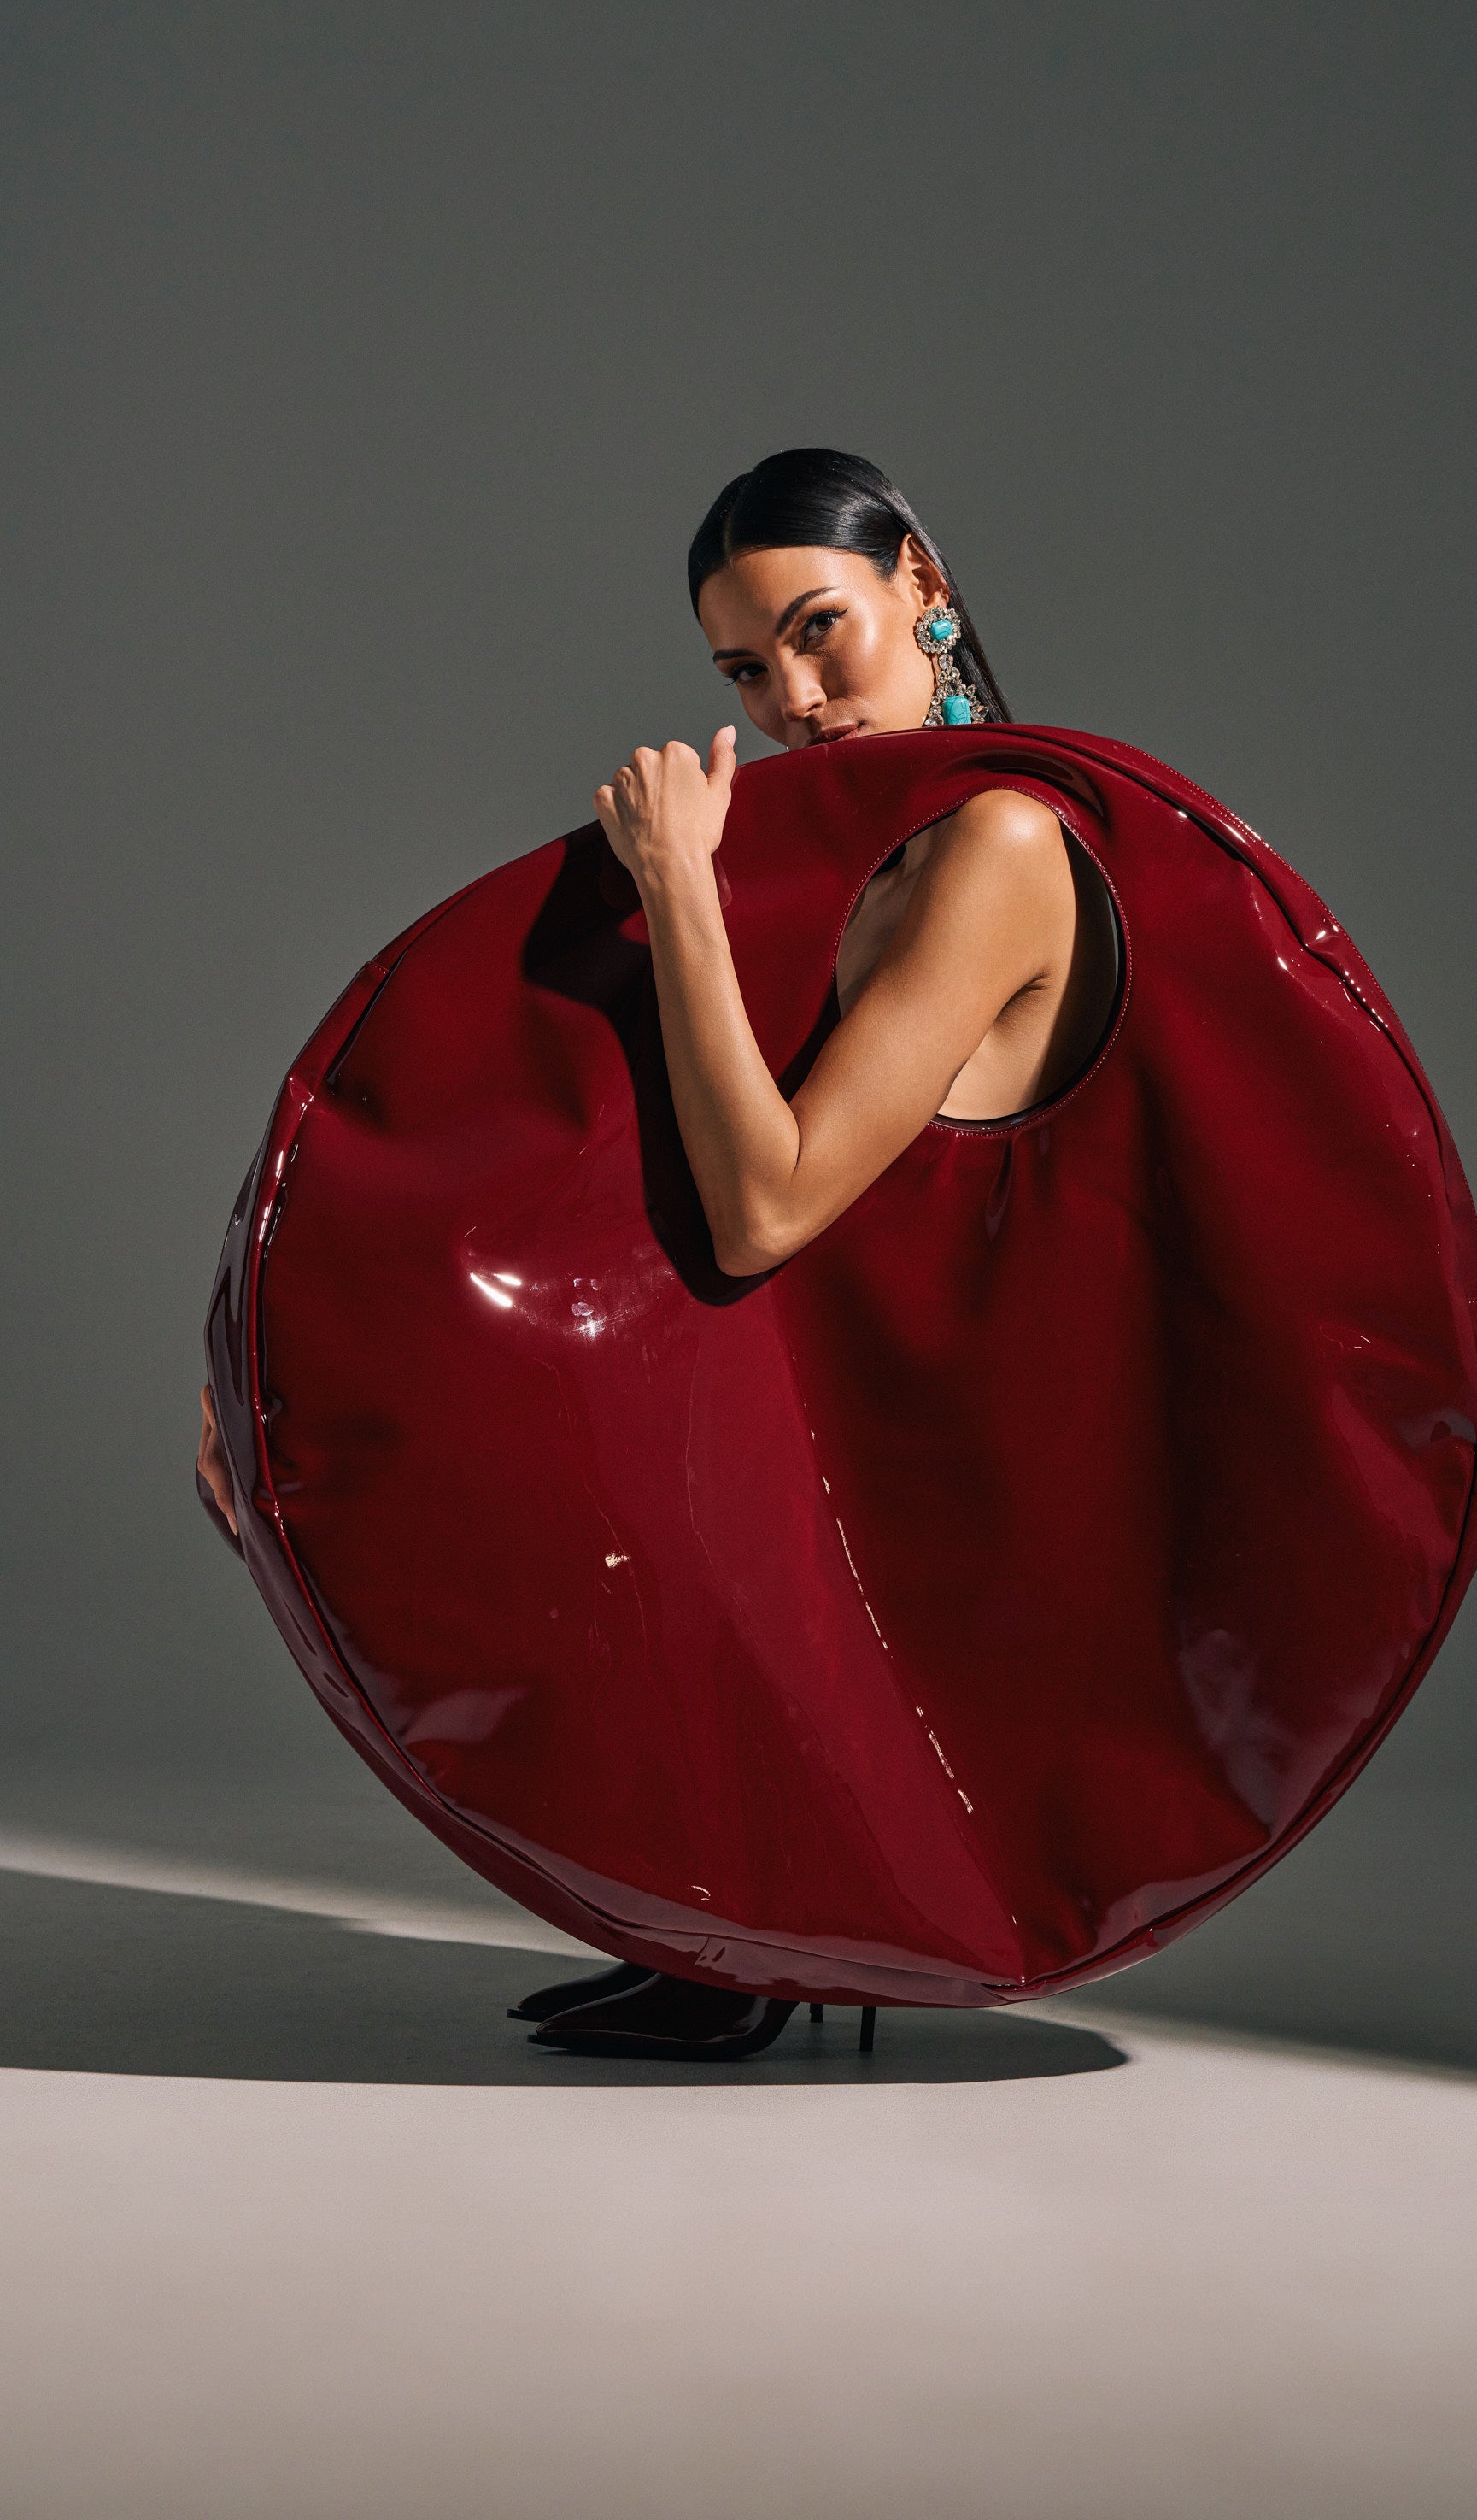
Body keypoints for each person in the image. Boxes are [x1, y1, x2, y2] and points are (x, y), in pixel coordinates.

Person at [196, 446, 1121, 2058]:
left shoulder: (1003, 847)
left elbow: (770, 1201)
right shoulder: (858, 849)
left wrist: (682, 890)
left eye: (822, 631)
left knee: (508, 1455)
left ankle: (756, 1930)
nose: (796, 700)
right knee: (321, 1426)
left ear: (924, 586)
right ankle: (708, 1914)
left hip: (916, 1422)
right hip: (787, 1353)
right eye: (746, 672)